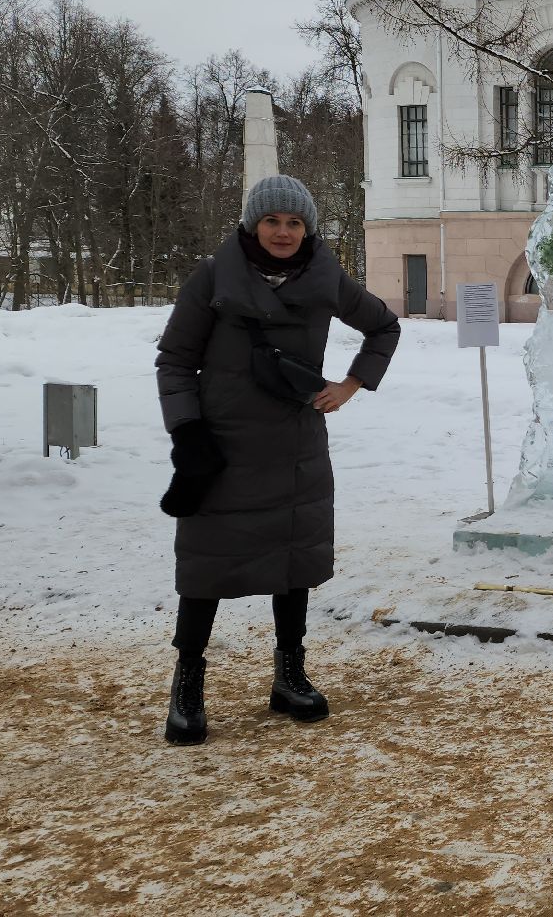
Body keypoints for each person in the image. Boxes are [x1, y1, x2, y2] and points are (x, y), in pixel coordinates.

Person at [153, 175, 400, 746]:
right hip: (221, 447)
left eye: (294, 222)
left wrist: (353, 383)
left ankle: (289, 674)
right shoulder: (215, 276)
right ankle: (187, 683)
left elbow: (383, 325)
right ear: (252, 225)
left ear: (306, 227)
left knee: (294, 562)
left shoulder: (325, 277)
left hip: (294, 443)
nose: (283, 232)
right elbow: (175, 361)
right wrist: (186, 431)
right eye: (272, 221)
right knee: (206, 566)